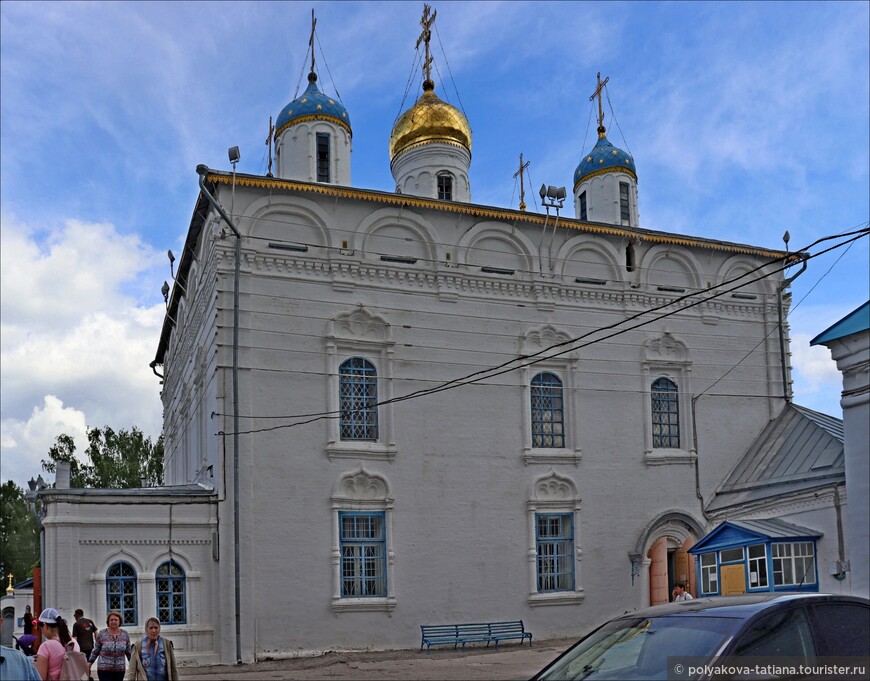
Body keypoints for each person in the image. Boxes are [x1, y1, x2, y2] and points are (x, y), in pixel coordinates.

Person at [34, 608, 80, 681]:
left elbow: (40, 678)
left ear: (45, 625)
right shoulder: (73, 642)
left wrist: (36, 665)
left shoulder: (46, 646)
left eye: (40, 628)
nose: (41, 631)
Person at [89, 612, 131, 681]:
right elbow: (96, 650)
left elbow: (129, 652)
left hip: (120, 670)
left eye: (116, 620)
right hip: (104, 669)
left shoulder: (125, 634)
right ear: (108, 621)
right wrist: (89, 663)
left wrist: (134, 666)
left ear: (120, 621)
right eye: (111, 620)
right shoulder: (102, 633)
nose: (113, 621)